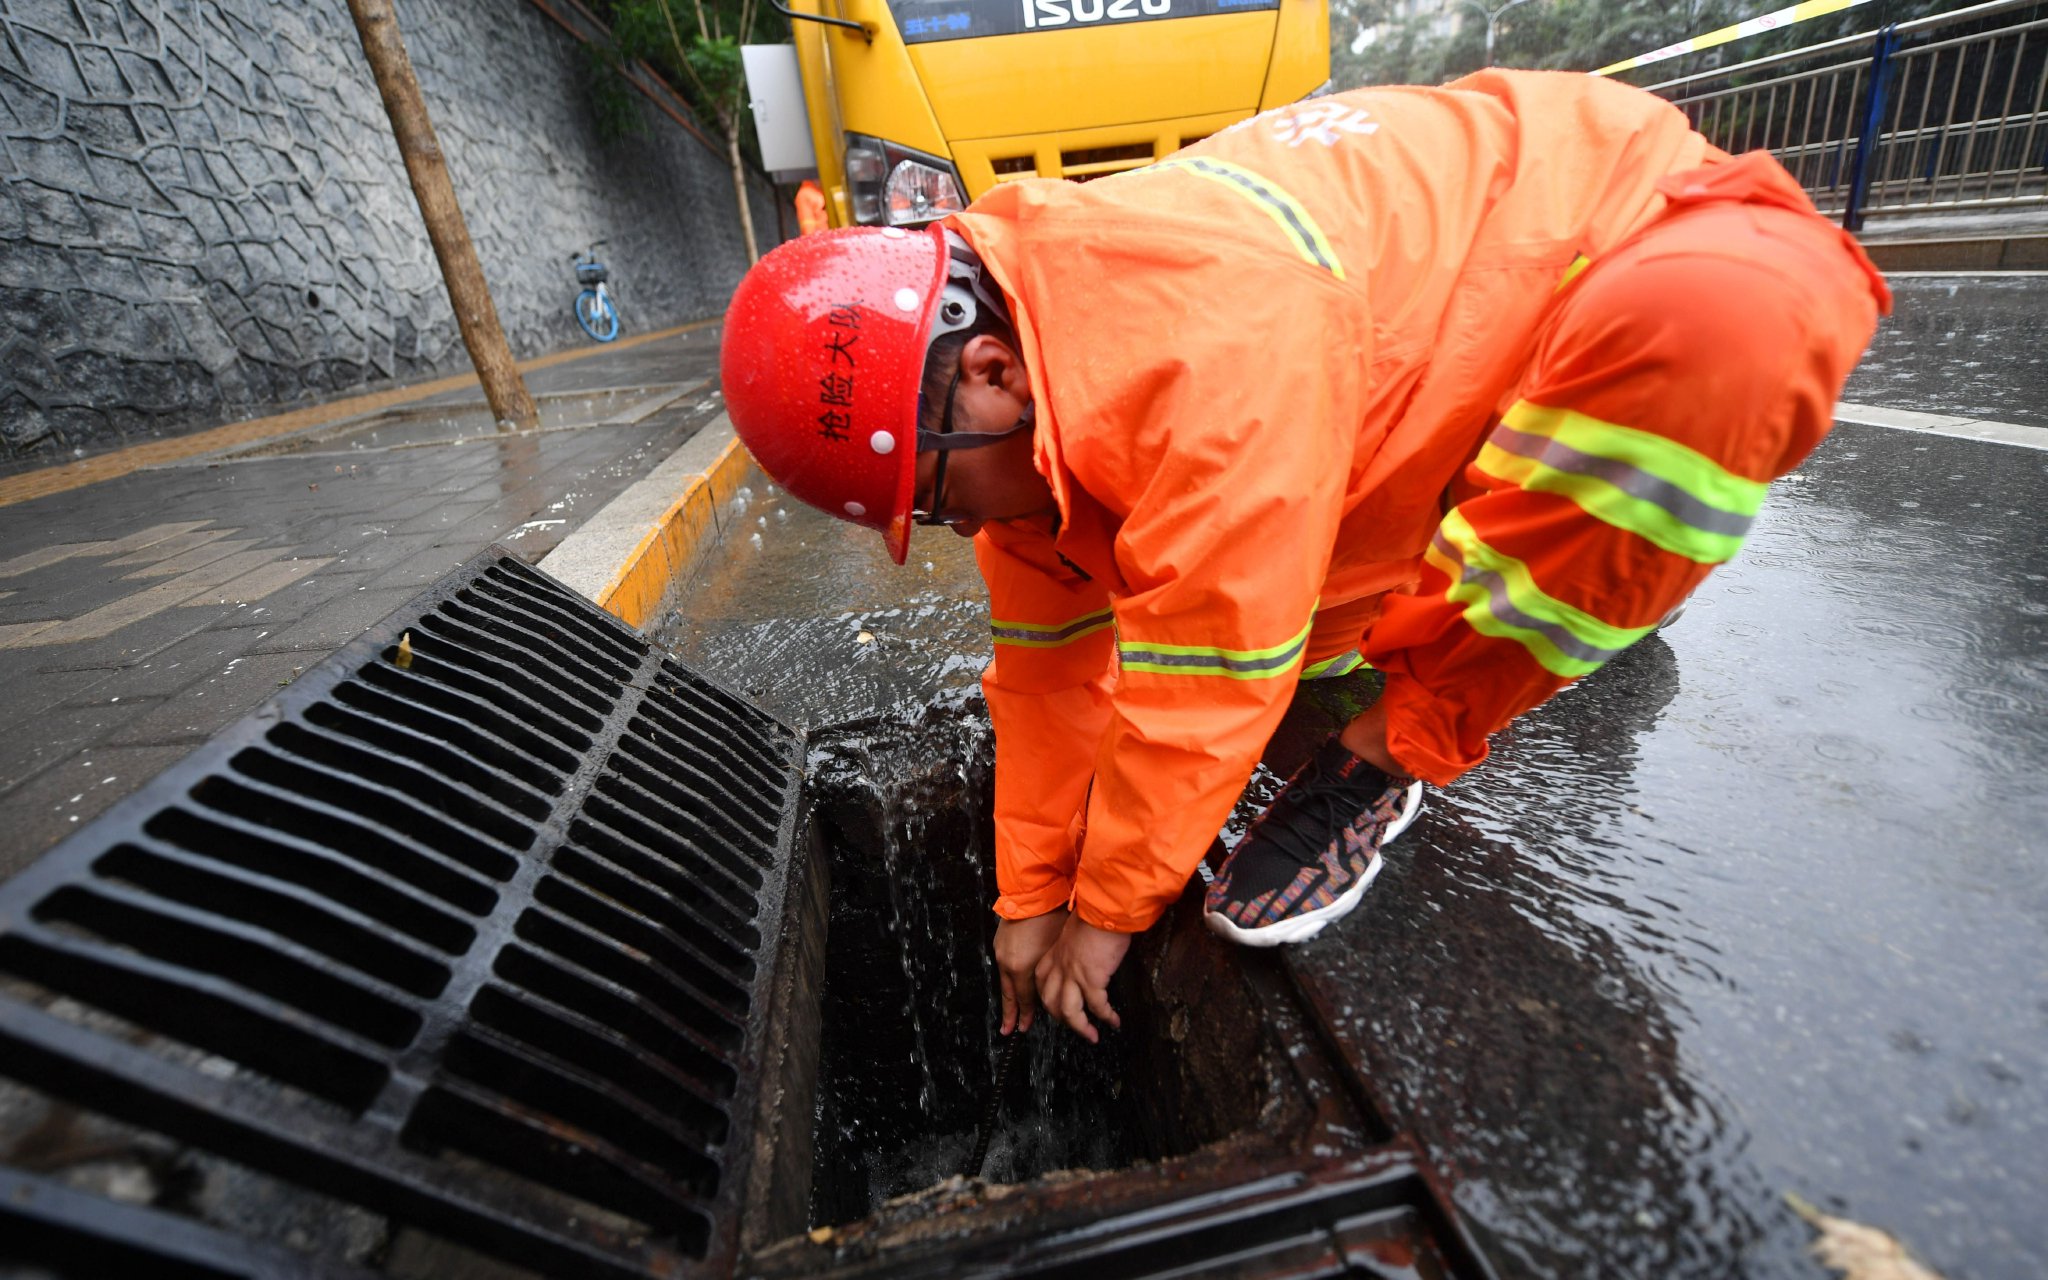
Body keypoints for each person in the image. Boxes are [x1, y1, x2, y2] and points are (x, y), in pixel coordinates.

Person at [720, 70, 1889, 1044]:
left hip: (1627, 252)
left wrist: (1112, 909)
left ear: (984, 373)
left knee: (1728, 332)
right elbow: (1048, 665)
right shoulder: (1034, 354)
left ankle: (1402, 738)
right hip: (1398, 394)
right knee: (1250, 625)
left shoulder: (1196, 347)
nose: (962, 531)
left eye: (934, 497)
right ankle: (1497, 569)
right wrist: (1028, 893)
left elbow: (1215, 662)